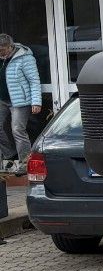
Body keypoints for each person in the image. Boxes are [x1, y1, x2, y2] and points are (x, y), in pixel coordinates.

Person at [0, 34, 42, 175]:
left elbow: (34, 81)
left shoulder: (24, 58)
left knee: (17, 130)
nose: (1, 53)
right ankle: (10, 155)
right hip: (2, 100)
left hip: (20, 101)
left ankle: (25, 164)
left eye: (2, 50)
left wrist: (36, 101)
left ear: (10, 47)